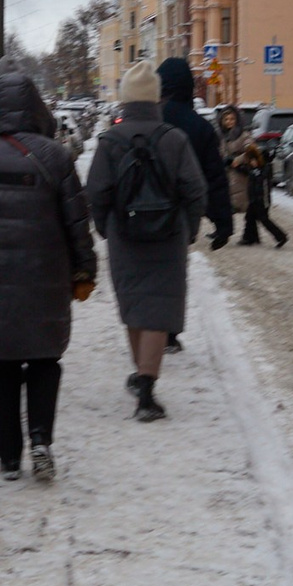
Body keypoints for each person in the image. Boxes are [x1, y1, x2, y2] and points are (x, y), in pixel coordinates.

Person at [0, 68, 95, 482]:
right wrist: (84, 270)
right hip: (47, 275)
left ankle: (9, 459)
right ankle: (41, 439)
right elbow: (77, 221)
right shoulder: (57, 156)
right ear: (37, 108)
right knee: (45, 361)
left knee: (3, 365)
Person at [85, 61, 204, 421]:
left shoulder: (110, 141)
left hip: (124, 234)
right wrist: (189, 228)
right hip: (169, 235)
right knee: (159, 309)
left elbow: (96, 191)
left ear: (124, 99)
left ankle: (141, 375)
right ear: (155, 99)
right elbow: (194, 189)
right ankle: (147, 389)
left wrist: (106, 228)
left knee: (134, 304)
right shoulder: (174, 138)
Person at [156, 56, 234, 253]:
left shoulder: (147, 119)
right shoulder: (201, 127)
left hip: (138, 216)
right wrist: (223, 223)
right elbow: (214, 178)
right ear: (188, 87)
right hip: (179, 220)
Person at [223, 108, 287, 248]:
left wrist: (237, 160)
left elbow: (250, 150)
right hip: (251, 193)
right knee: (250, 216)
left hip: (256, 195)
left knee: (262, 218)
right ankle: (250, 237)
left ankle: (281, 236)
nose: (229, 122)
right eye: (226, 119)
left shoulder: (260, 168)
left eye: (232, 119)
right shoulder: (225, 137)